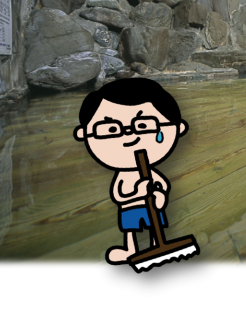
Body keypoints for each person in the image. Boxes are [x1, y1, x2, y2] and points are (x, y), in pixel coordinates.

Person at [73, 78, 188, 265]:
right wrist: (138, 192)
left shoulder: (149, 169)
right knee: (130, 230)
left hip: (151, 206)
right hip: (130, 208)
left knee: (154, 225)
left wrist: (159, 195)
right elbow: (118, 195)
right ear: (84, 134)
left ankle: (157, 244)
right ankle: (130, 250)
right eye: (111, 129)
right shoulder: (123, 174)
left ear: (177, 127)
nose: (129, 136)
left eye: (143, 126)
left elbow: (162, 184)